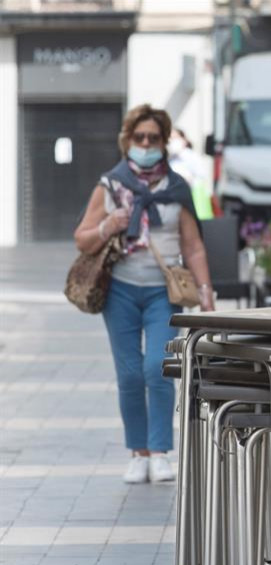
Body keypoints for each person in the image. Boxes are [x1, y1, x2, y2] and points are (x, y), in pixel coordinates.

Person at [74, 104, 215, 484]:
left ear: (164, 142)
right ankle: (137, 452)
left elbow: (195, 246)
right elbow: (82, 238)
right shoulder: (110, 186)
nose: (147, 144)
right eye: (140, 137)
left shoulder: (176, 188)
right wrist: (108, 225)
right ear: (128, 140)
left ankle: (159, 451)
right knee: (130, 374)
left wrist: (205, 290)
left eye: (154, 137)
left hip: (162, 292)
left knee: (158, 368)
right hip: (119, 290)